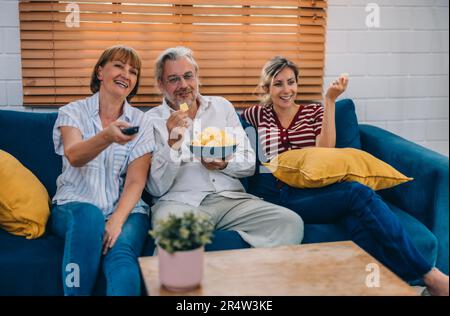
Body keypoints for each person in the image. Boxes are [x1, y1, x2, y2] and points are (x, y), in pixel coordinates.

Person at [241, 56, 449, 296]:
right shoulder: (257, 114)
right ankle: (428, 276)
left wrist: (329, 100)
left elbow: (325, 151)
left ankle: (390, 286)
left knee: (357, 221)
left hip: (318, 189)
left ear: (298, 83)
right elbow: (228, 123)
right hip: (282, 195)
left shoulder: (312, 112)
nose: (286, 90)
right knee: (358, 194)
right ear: (267, 88)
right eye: (278, 84)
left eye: (291, 82)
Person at [145, 46, 303, 248]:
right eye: (174, 79)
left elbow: (248, 164)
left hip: (230, 200)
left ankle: (248, 274)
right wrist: (172, 145)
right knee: (175, 234)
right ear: (161, 84)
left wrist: (223, 164)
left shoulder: (222, 107)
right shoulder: (151, 121)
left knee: (290, 223)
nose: (184, 85)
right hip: (180, 202)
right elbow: (155, 188)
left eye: (188, 76)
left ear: (197, 77)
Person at [51, 45, 154, 296]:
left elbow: (136, 181)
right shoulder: (72, 112)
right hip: (74, 205)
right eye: (118, 66)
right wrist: (107, 136)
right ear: (100, 72)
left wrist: (116, 221)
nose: (126, 74)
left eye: (133, 71)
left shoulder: (142, 122)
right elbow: (75, 155)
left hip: (125, 211)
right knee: (89, 217)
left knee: (120, 253)